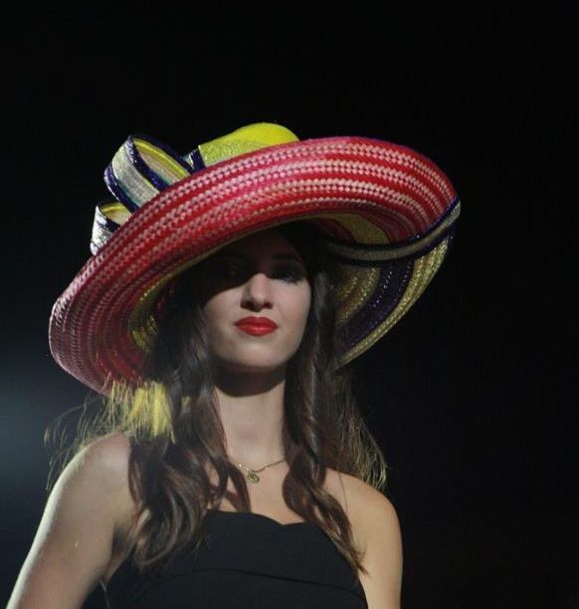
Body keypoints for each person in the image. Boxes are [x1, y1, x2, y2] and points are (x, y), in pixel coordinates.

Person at [7, 122, 460, 609]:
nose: (258, 294)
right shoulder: (120, 475)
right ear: (189, 299)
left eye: (286, 272)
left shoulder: (364, 516)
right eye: (230, 269)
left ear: (314, 303)